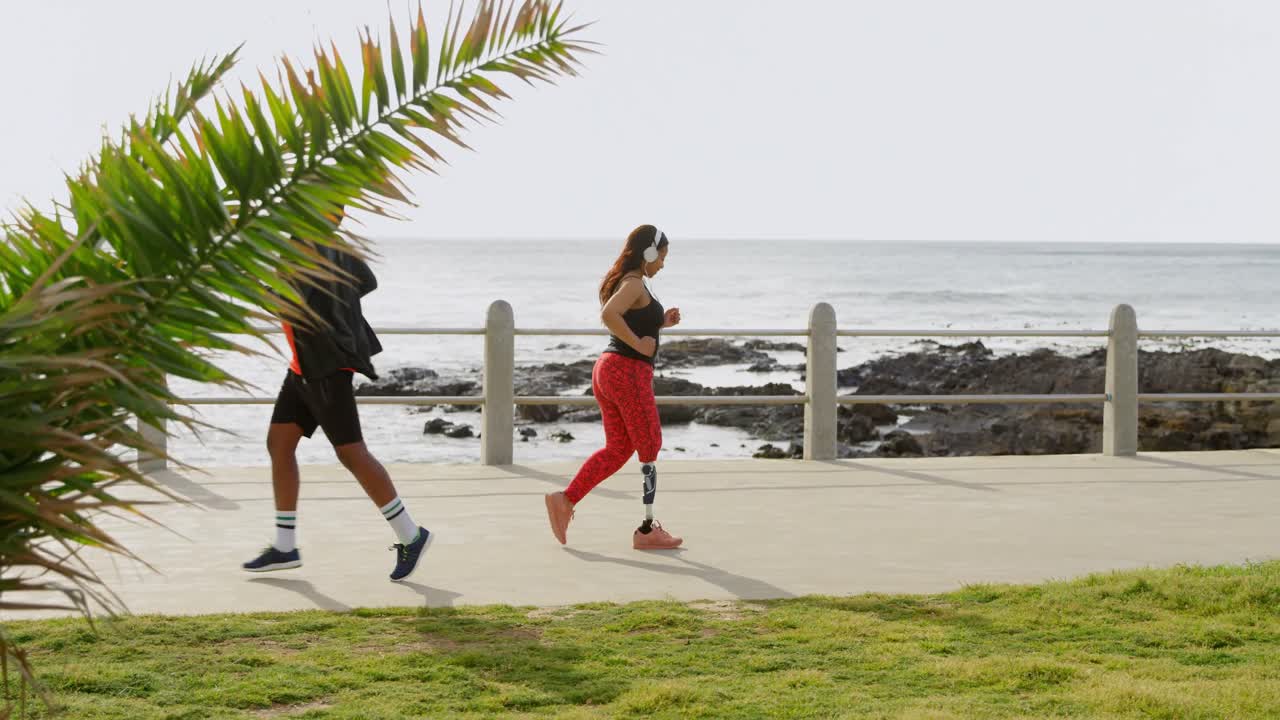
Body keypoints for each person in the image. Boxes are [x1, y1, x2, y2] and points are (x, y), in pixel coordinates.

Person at [242, 204, 432, 581]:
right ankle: (284, 546)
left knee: (352, 453)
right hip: (303, 368)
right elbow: (366, 281)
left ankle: (411, 535)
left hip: (325, 367)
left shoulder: (313, 250)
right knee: (280, 443)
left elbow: (284, 302)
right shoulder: (323, 247)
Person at [544, 224, 683, 550]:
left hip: (607, 370)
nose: (662, 264)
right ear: (648, 253)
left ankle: (565, 500)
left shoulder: (631, 283)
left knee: (620, 449)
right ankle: (648, 531)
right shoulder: (634, 284)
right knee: (650, 442)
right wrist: (638, 343)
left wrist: (661, 323)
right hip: (627, 372)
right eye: (661, 257)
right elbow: (609, 314)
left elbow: (627, 317)